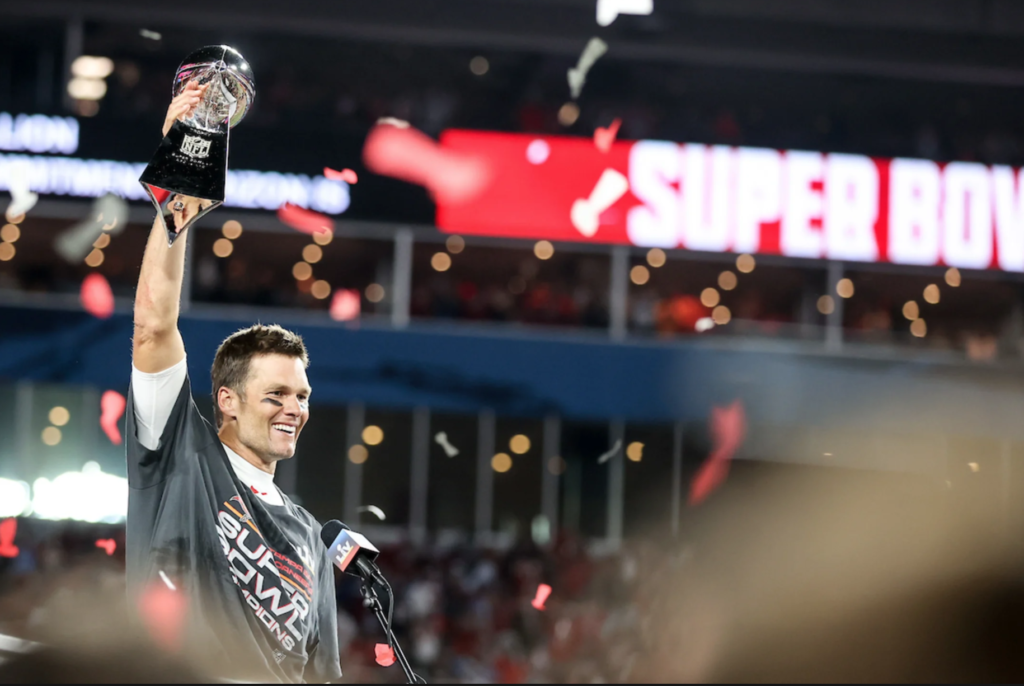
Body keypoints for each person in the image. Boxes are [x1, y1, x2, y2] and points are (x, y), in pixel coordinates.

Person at [125, 80, 341, 683]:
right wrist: (177, 202)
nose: (293, 409)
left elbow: (321, 674)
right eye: (275, 394)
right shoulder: (178, 457)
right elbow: (152, 328)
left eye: (300, 396)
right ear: (226, 400)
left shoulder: (310, 536)